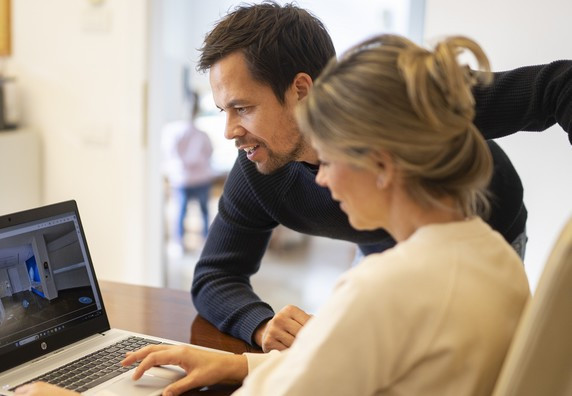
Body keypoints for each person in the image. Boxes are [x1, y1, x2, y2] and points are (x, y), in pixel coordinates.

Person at [16, 33, 531, 396]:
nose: (322, 180)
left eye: (328, 160)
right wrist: (243, 361)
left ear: (380, 163)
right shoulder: (493, 257)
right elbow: (343, 372)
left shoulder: (380, 290)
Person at [191, 2, 571, 352]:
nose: (229, 131)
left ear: (301, 90)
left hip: (483, 230)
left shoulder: (406, 102)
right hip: (380, 241)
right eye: (224, 110)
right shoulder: (260, 164)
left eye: (242, 108)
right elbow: (215, 275)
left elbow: (561, 85)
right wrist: (261, 326)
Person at [161, 92, 216, 250]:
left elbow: (170, 154)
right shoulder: (202, 134)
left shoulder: (174, 132)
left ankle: (178, 243)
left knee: (180, 212)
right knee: (204, 212)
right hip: (199, 178)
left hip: (183, 179)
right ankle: (206, 241)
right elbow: (209, 152)